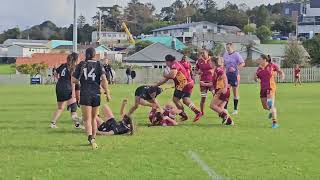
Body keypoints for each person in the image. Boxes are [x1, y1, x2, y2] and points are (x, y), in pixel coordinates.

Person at [72, 47, 111, 149]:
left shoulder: (82, 64)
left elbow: (73, 79)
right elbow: (104, 79)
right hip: (96, 94)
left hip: (85, 93)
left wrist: (81, 81)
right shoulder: (99, 64)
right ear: (94, 54)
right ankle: (93, 138)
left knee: (86, 119)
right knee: (94, 118)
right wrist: (107, 93)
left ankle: (90, 138)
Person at [154, 54, 202, 122]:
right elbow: (166, 79)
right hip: (189, 83)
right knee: (185, 99)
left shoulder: (174, 65)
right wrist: (156, 85)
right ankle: (197, 112)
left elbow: (172, 75)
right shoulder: (176, 64)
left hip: (183, 84)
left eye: (166, 62)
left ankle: (183, 115)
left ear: (168, 61)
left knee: (175, 99)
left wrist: (165, 75)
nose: (166, 63)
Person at [50, 53, 81, 129]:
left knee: (60, 107)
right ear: (75, 59)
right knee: (73, 107)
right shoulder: (74, 68)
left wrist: (60, 79)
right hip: (67, 87)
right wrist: (74, 93)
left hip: (59, 86)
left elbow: (55, 73)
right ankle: (77, 125)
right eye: (78, 58)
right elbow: (73, 81)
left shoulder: (63, 65)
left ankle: (53, 123)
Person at [202, 57, 234, 125]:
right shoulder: (215, 71)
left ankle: (225, 116)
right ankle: (230, 121)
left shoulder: (218, 69)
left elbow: (224, 76)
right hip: (225, 90)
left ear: (214, 63)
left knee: (212, 105)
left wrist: (225, 87)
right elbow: (213, 83)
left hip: (222, 90)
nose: (209, 64)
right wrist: (204, 84)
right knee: (220, 108)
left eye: (210, 62)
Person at [255, 54, 285, 129]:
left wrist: (282, 76)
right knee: (265, 107)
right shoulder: (259, 69)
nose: (259, 60)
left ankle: (275, 123)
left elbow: (280, 71)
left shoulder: (272, 65)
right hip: (263, 89)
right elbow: (256, 78)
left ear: (264, 60)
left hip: (270, 88)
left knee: (270, 103)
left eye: (260, 59)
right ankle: (272, 111)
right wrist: (255, 78)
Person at [223, 42, 245, 115]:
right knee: (226, 91)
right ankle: (225, 108)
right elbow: (224, 64)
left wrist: (235, 68)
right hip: (227, 75)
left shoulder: (236, 54)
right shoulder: (225, 54)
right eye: (226, 48)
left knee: (235, 91)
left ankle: (235, 109)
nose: (227, 49)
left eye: (228, 47)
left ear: (232, 47)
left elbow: (242, 63)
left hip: (234, 75)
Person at [195, 49, 213, 115]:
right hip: (203, 82)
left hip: (212, 82)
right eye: (201, 53)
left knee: (216, 96)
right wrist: (198, 72)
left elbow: (218, 67)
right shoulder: (198, 61)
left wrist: (213, 71)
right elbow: (196, 71)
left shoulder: (212, 60)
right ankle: (202, 112)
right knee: (203, 98)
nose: (202, 54)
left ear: (207, 53)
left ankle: (220, 110)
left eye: (203, 53)